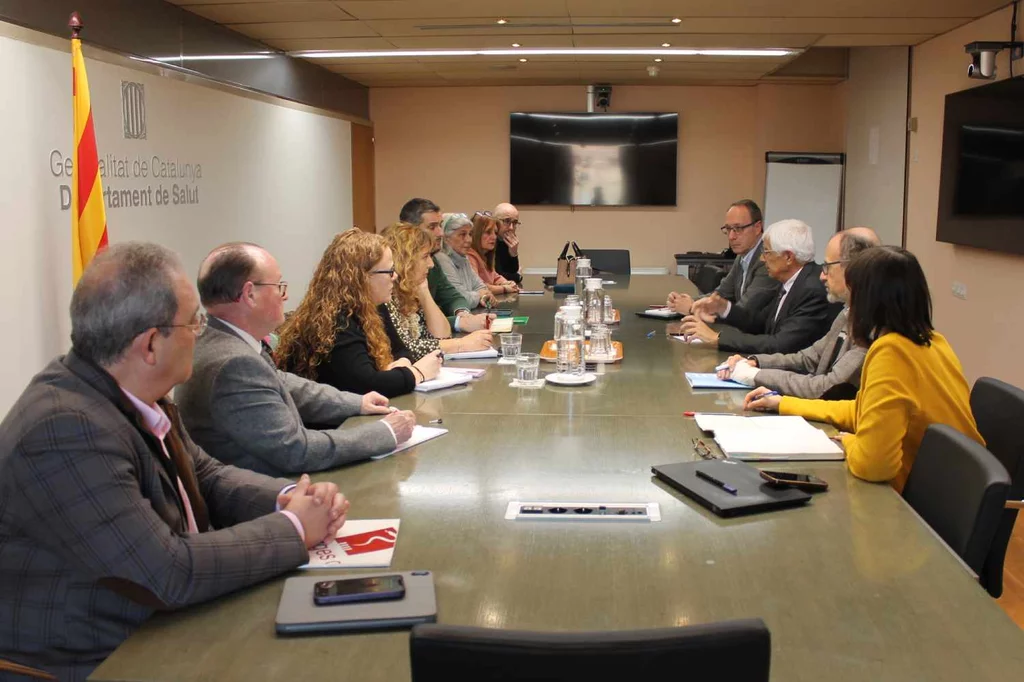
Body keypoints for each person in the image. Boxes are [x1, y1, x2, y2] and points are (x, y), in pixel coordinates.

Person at [0, 243, 345, 680]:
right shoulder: (65, 428)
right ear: (149, 344)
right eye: (194, 322)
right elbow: (167, 570)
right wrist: (294, 529)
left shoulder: (126, 390)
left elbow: (206, 474)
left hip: (154, 626)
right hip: (92, 658)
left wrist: (290, 498)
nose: (201, 333)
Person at [745, 246, 984, 491]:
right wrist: (783, 403)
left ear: (867, 301)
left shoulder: (892, 352)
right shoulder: (933, 341)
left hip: (925, 503)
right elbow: (863, 410)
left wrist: (851, 442)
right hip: (959, 488)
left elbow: (874, 466)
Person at [176, 242, 416, 476]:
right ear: (250, 294)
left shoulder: (221, 338)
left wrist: (356, 403)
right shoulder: (233, 363)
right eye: (279, 286)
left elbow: (283, 382)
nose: (286, 296)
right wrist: (385, 433)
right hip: (270, 495)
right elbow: (296, 450)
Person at [715, 228, 880, 399]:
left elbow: (829, 387)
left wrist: (754, 375)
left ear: (854, 269)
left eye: (827, 266)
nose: (822, 276)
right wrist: (755, 361)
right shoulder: (848, 311)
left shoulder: (874, 325)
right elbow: (809, 358)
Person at [276, 230, 443, 398]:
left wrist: (402, 365)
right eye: (389, 271)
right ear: (362, 277)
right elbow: (366, 384)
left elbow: (401, 351)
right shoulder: (337, 319)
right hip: (336, 421)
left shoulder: (375, 306)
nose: (395, 276)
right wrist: (417, 373)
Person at [679, 219, 839, 354]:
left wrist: (717, 339)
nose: (762, 259)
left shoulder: (812, 289)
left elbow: (780, 344)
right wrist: (723, 308)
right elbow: (760, 323)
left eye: (767, 252)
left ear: (788, 257)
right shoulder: (791, 279)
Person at [381, 223, 494, 360]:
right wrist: (461, 344)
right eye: (425, 257)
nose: (431, 264)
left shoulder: (410, 292)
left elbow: (441, 334)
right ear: (405, 261)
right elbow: (405, 348)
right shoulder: (385, 296)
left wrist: (424, 292)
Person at [667, 199, 779, 316]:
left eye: (738, 229)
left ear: (757, 227)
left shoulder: (767, 259)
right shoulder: (742, 256)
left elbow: (745, 310)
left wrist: (692, 308)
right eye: (729, 229)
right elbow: (721, 294)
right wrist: (685, 301)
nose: (731, 236)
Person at [399, 198, 493, 329]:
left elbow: (452, 296)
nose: (441, 233)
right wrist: (459, 323)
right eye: (432, 227)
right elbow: (414, 327)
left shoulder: (433, 261)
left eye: (440, 225)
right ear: (410, 229)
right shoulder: (395, 268)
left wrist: (462, 314)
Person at [434, 213, 498, 309]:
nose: (469, 240)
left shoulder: (463, 257)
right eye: (462, 234)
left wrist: (483, 295)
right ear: (446, 238)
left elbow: (481, 286)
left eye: (470, 234)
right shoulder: (441, 259)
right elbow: (459, 298)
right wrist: (480, 295)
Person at [468, 212, 519, 296]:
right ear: (476, 234)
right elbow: (478, 287)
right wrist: (504, 288)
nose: (494, 237)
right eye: (488, 232)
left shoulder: (485, 255)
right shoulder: (470, 256)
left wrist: (507, 283)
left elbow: (495, 277)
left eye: (495, 233)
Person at [492, 202, 524, 284]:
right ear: (494, 221)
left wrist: (513, 254)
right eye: (507, 221)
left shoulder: (505, 240)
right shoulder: (489, 241)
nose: (511, 227)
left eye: (515, 222)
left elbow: (512, 271)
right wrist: (517, 276)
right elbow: (495, 277)